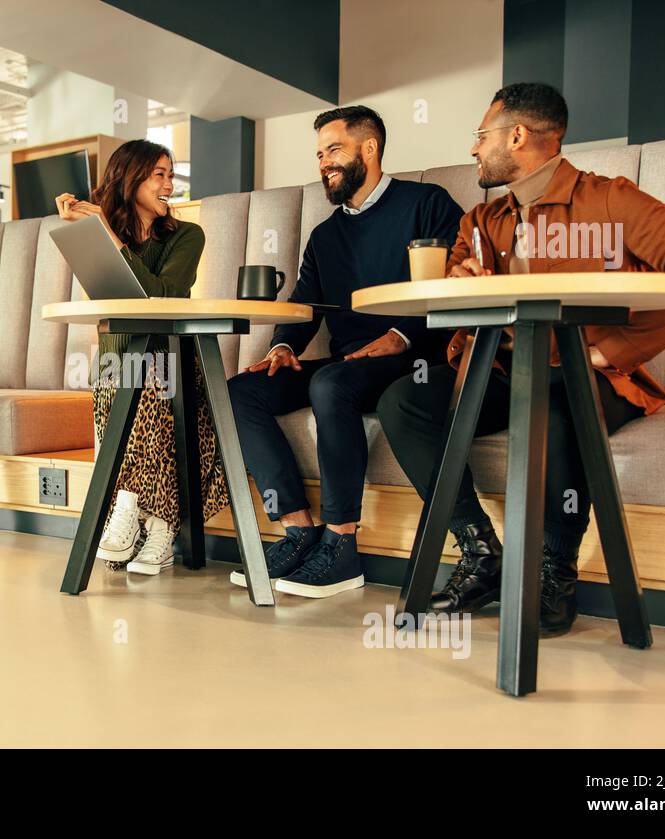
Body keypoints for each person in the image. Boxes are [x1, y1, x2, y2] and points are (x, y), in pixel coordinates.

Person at [376, 82, 665, 634]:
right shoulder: (480, 221)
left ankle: (554, 570)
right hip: (501, 373)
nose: (474, 149)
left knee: (552, 404)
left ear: (517, 135)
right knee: (404, 402)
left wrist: (610, 349)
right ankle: (481, 553)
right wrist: (461, 285)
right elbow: (450, 294)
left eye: (481, 136)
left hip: (586, 378)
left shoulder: (608, 199)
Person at [226, 106, 464, 598]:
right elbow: (306, 303)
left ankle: (342, 545)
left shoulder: (427, 203)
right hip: (351, 360)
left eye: (334, 150)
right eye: (318, 155)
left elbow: (458, 286)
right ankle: (298, 527)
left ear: (369, 149)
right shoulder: (325, 235)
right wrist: (285, 347)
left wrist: (403, 336)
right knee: (241, 390)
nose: (323, 164)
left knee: (329, 382)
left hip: (417, 356)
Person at [54, 139, 226, 576]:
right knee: (127, 372)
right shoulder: (104, 230)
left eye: (172, 175)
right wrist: (84, 235)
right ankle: (161, 525)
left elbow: (163, 294)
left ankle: (132, 506)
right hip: (117, 362)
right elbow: (106, 295)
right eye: (159, 175)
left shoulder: (188, 235)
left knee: (149, 376)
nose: (170, 185)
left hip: (175, 362)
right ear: (130, 180)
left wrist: (107, 237)